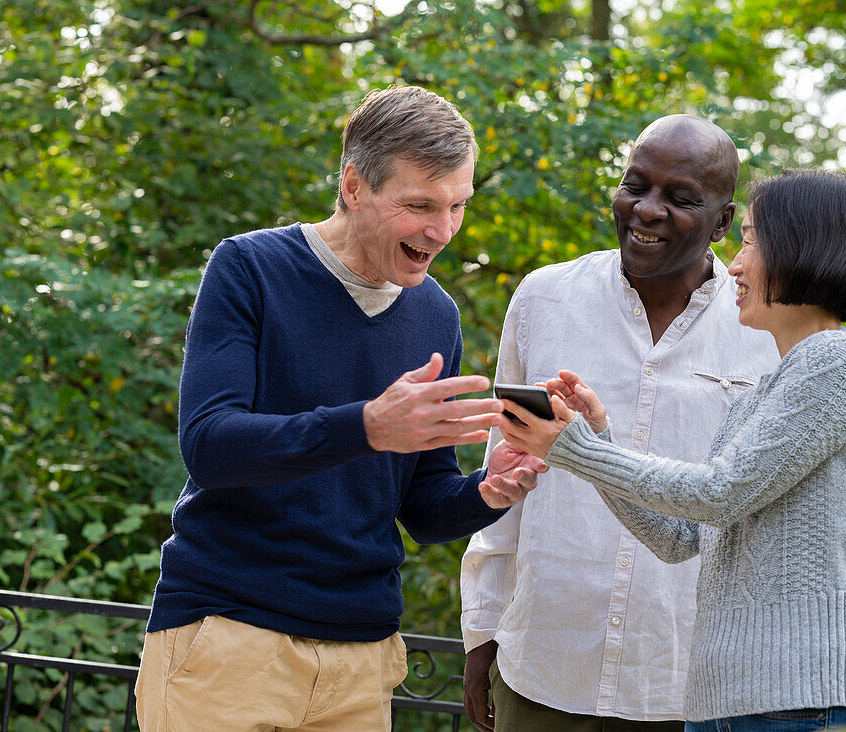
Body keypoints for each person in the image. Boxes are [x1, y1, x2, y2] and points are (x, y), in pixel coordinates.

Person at [460, 117, 846, 732]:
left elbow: (741, 499)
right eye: (636, 186)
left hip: (746, 692)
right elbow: (682, 535)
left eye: (751, 243)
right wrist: (597, 445)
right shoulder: (549, 298)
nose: (735, 265)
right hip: (589, 672)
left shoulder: (824, 358)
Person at [133, 85, 547, 731]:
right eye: (419, 205)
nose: (441, 230)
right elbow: (210, 448)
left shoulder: (435, 312)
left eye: (457, 206)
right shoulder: (250, 268)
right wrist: (366, 426)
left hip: (363, 655)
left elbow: (424, 508)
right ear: (355, 186)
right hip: (228, 637)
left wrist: (487, 492)